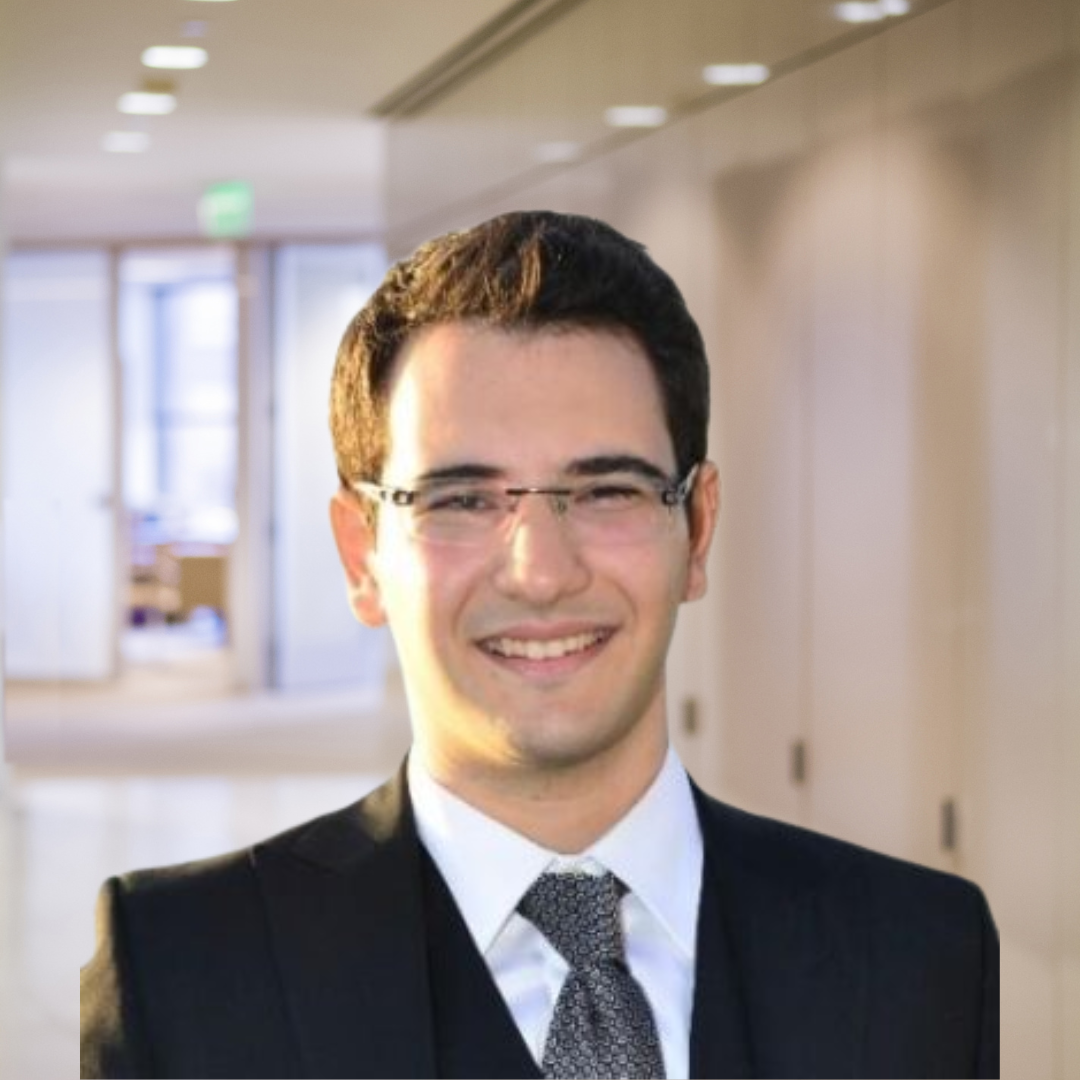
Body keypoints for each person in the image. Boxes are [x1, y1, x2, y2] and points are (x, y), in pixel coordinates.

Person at [80, 211, 999, 1079]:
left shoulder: (920, 952)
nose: (540, 572)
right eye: (461, 500)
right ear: (362, 554)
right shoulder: (185, 968)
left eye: (607, 491)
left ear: (699, 530)